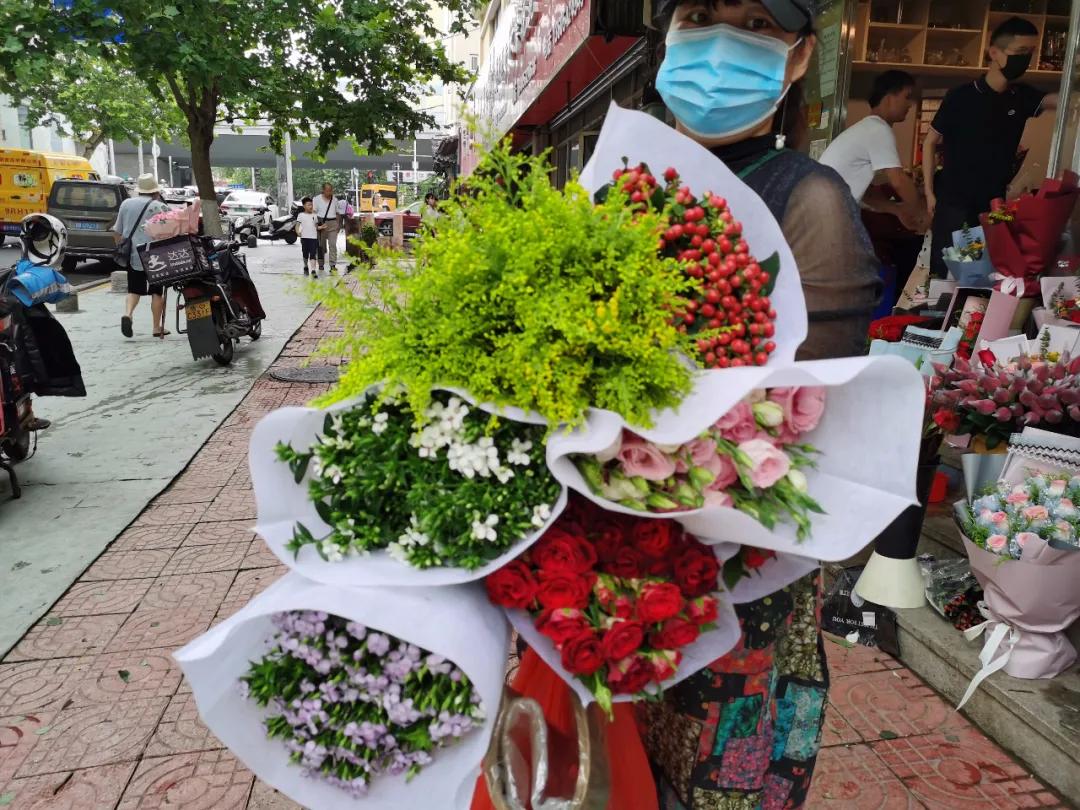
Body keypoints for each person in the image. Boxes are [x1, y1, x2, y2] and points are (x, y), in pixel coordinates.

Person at [641, 2, 880, 807]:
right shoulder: (626, 183)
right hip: (621, 549)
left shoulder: (807, 197)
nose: (720, 42)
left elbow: (810, 419)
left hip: (740, 564)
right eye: (701, 15)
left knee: (717, 777)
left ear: (800, 55)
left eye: (753, 22)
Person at [924, 16, 1058, 278]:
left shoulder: (1021, 96)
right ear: (994, 52)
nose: (1025, 59)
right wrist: (929, 193)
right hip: (956, 203)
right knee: (953, 278)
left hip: (995, 206)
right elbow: (929, 142)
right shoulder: (961, 96)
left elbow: (1060, 101)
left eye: (1030, 53)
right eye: (1020, 52)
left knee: (986, 277)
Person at [821, 69, 927, 232]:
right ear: (889, 98)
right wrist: (921, 212)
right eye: (907, 96)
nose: (910, 104)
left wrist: (898, 210)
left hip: (821, 213)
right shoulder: (878, 129)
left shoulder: (867, 128)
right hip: (827, 218)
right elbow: (898, 180)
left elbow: (867, 195)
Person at [115, 173, 169, 338]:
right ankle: (156, 327)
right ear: (155, 191)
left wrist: (120, 248)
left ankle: (128, 314)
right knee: (156, 292)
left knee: (134, 290)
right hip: (155, 255)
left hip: (133, 254)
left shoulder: (126, 204)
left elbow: (118, 231)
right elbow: (168, 232)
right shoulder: (159, 207)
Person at [313, 183, 346, 274]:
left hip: (332, 223)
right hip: (321, 223)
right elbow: (314, 213)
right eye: (328, 190)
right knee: (321, 246)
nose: (330, 192)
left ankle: (332, 265)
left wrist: (338, 225)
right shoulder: (316, 199)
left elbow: (338, 213)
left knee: (332, 244)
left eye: (331, 190)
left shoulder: (334, 200)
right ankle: (321, 264)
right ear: (323, 190)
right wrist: (316, 225)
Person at [295, 197, 320, 278]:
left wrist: (321, 227)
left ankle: (313, 270)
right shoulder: (301, 215)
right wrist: (297, 232)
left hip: (313, 238)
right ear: (304, 206)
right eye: (308, 205)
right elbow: (297, 225)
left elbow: (316, 226)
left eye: (311, 205)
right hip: (304, 237)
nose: (310, 206)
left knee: (313, 254)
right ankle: (305, 266)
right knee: (305, 254)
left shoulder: (315, 215)